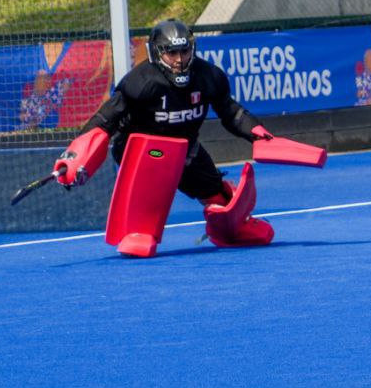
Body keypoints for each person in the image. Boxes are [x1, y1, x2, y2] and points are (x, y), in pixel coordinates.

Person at [54, 18, 276, 248]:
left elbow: (232, 112)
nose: (179, 60)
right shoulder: (140, 83)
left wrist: (257, 132)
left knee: (219, 198)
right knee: (151, 186)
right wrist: (76, 158)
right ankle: (139, 230)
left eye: (184, 51)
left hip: (186, 149)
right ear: (157, 53)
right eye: (172, 53)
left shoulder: (209, 76)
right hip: (142, 154)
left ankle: (230, 228)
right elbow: (104, 122)